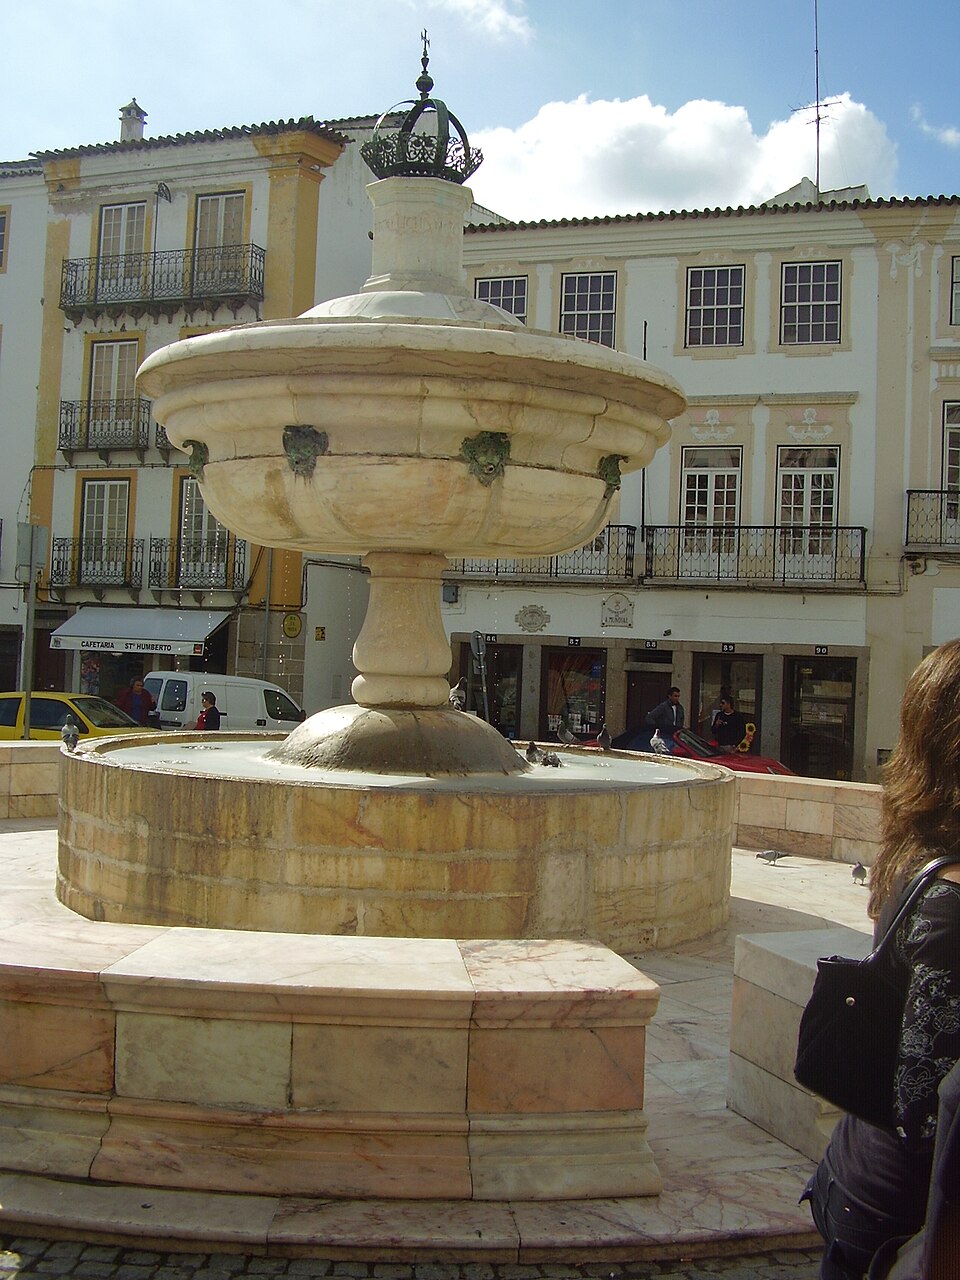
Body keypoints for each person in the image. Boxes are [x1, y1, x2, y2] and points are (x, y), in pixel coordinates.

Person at [802, 639, 960, 1280]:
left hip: (858, 1172)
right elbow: (927, 1107)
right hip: (901, 1223)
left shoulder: (915, 849)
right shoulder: (950, 908)